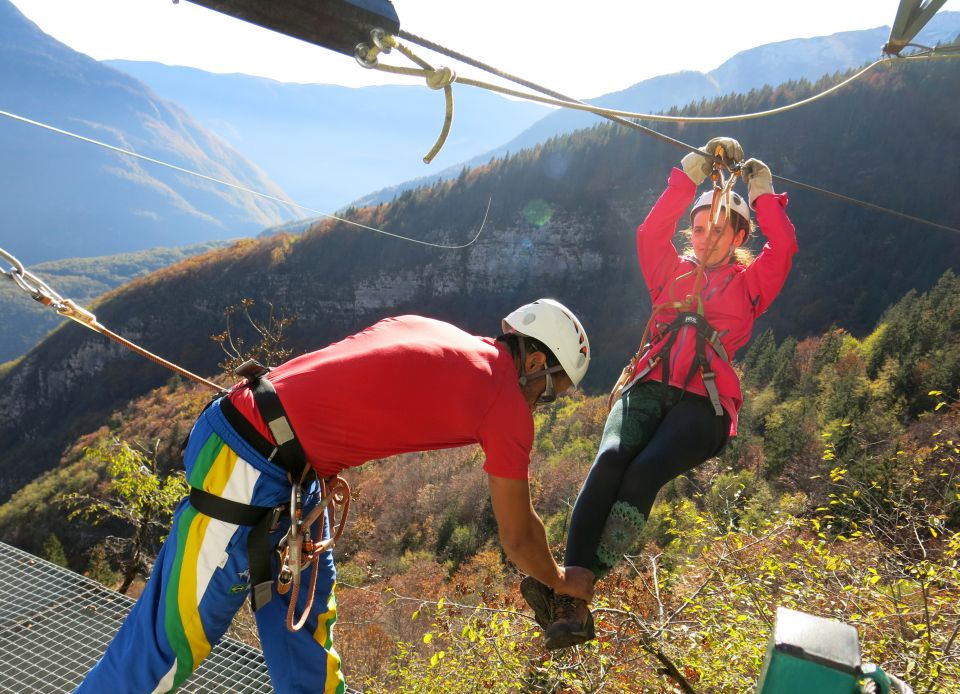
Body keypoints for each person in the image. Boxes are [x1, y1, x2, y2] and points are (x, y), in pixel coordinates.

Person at [76, 299, 594, 693]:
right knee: (170, 642)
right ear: (532, 364)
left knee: (304, 625)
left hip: (276, 460)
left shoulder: (436, 330)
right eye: (551, 389)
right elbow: (520, 537)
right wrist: (560, 579)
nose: (543, 403)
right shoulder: (506, 402)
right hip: (250, 464)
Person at [521, 137, 798, 649]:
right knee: (610, 460)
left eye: (718, 229)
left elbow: (784, 250)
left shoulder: (749, 285)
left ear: (739, 234)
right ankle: (572, 594)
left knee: (646, 471)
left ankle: (582, 584)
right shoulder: (670, 271)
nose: (706, 236)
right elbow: (650, 231)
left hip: (705, 402)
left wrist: (763, 197)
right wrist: (688, 173)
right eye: (697, 228)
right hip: (647, 383)